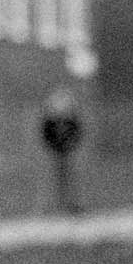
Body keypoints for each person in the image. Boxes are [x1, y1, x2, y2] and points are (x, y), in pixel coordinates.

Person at [40, 86, 84, 215]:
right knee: (54, 178)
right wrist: (54, 147)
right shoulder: (51, 122)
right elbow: (47, 136)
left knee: (70, 177)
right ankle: (53, 205)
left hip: (67, 152)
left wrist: (70, 145)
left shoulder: (70, 120)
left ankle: (71, 204)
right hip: (55, 152)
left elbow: (76, 133)